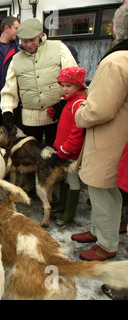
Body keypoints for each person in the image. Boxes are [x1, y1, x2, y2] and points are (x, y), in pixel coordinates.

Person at [71, 3, 128, 261]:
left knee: (102, 190)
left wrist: (79, 111)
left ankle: (106, 243)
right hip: (118, 137)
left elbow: (99, 110)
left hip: (108, 139)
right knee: (103, 191)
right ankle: (98, 230)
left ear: (116, 30)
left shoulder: (116, 61)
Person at [0, 18, 77, 146]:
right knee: (31, 157)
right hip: (30, 120)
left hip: (56, 115)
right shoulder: (16, 60)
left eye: (32, 40)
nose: (29, 45)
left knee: (55, 153)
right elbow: (9, 87)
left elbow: (72, 76)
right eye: (25, 41)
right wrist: (7, 110)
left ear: (40, 35)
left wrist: (65, 100)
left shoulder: (58, 48)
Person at [47, 67, 87, 225]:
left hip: (71, 153)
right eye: (62, 85)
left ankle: (69, 213)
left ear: (79, 85)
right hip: (64, 151)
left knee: (72, 180)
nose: (64, 89)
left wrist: (65, 150)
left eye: (68, 86)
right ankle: (63, 205)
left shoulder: (79, 104)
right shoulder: (70, 102)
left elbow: (77, 133)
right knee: (65, 179)